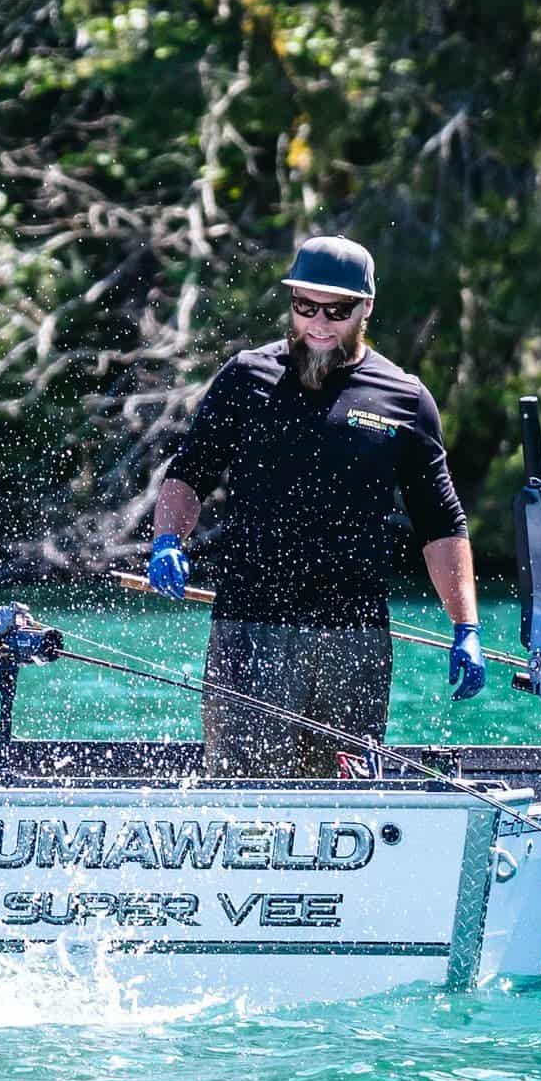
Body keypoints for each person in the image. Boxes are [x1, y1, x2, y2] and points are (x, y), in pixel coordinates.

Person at [146, 235, 485, 777]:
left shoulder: (404, 398)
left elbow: (440, 522)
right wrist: (168, 540)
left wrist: (466, 626)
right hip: (250, 626)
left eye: (337, 310)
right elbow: (189, 473)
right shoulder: (246, 376)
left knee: (343, 794)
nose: (319, 323)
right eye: (305, 306)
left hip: (353, 638)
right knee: (240, 790)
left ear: (365, 308)